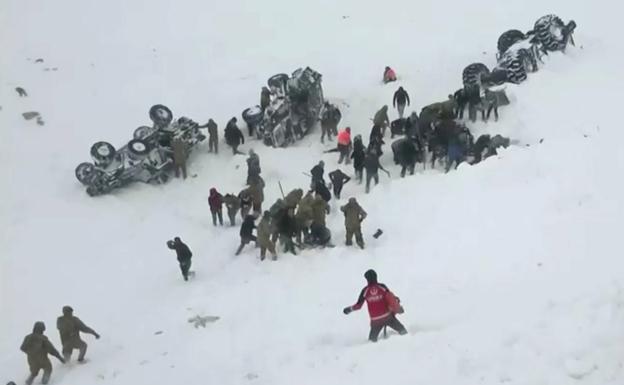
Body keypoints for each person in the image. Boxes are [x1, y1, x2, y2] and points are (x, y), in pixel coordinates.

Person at [343, 269, 407, 342]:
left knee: (371, 341)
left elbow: (358, 306)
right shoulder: (382, 287)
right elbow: (391, 299)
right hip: (388, 317)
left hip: (375, 321)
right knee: (403, 332)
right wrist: (398, 308)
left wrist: (349, 309)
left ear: (367, 279)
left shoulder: (365, 291)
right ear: (376, 277)